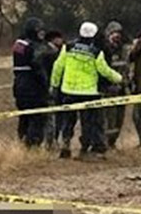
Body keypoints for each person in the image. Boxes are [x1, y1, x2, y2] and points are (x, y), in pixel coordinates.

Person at [50, 21, 124, 159]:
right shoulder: (96, 52)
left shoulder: (68, 47)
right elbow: (104, 70)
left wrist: (54, 85)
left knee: (68, 120)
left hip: (69, 90)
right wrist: (119, 78)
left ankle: (65, 146)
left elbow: (58, 66)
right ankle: (85, 149)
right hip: (88, 92)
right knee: (88, 123)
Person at [11, 17, 50, 147]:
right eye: (39, 30)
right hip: (33, 87)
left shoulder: (19, 44)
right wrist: (46, 85)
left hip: (19, 85)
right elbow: (37, 66)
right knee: (37, 117)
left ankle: (22, 144)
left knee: (24, 117)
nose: (42, 33)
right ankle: (33, 146)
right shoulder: (33, 46)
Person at [100, 21, 131, 149]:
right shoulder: (103, 49)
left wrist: (127, 84)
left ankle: (113, 141)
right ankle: (105, 141)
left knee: (119, 117)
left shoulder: (124, 49)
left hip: (122, 88)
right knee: (108, 116)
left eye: (118, 33)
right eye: (113, 32)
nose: (116, 35)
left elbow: (128, 68)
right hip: (108, 89)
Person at [40, 30, 65, 148]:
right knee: (53, 117)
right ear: (53, 39)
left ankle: (52, 140)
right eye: (59, 38)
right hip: (52, 87)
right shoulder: (50, 53)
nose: (61, 40)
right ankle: (51, 141)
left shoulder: (48, 51)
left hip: (54, 86)